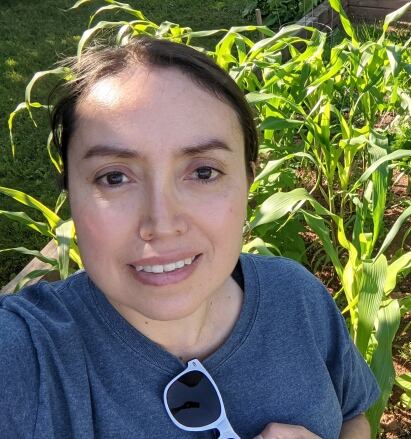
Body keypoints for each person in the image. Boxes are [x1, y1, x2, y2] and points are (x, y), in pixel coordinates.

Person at [0, 38, 379, 439]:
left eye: (202, 173)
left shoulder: (296, 296)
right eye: (114, 177)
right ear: (70, 195)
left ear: (249, 179)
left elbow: (354, 416)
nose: (162, 224)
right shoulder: (29, 357)